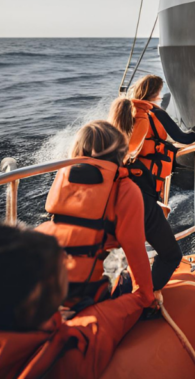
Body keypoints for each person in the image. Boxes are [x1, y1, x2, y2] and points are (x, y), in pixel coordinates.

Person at [34, 121, 155, 311]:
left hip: (37, 285)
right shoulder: (125, 189)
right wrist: (147, 298)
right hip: (77, 300)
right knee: (127, 281)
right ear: (120, 152)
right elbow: (135, 250)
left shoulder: (64, 178)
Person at [0, 224, 145, 379]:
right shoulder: (63, 357)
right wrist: (139, 299)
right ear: (32, 303)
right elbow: (101, 326)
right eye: (62, 267)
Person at [108, 90, 195, 292]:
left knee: (124, 256)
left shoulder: (105, 145)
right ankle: (144, 298)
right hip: (140, 204)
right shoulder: (132, 145)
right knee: (170, 255)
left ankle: (123, 294)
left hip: (114, 206)